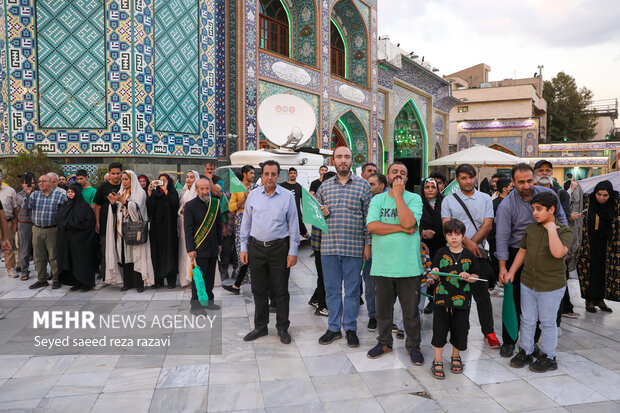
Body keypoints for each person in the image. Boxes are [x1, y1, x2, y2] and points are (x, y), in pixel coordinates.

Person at [496, 163, 567, 357]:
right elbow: (501, 237)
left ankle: (531, 342)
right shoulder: (506, 205)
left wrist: (561, 241)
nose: (527, 186)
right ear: (513, 182)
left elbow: (561, 217)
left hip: (546, 252)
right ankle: (509, 341)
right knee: (515, 300)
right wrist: (503, 267)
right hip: (517, 253)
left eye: (529, 181)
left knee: (538, 301)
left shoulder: (547, 194)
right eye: (521, 182)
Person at [365, 162, 425, 365]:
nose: (398, 175)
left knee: (410, 313)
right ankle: (384, 342)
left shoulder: (415, 198)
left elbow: (410, 223)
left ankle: (413, 346)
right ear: (387, 176)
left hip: (408, 267)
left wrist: (399, 196)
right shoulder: (377, 200)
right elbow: (372, 226)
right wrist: (400, 228)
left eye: (403, 173)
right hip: (382, 266)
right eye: (394, 172)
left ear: (407, 179)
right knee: (383, 311)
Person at [505, 192, 572, 372]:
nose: (534, 213)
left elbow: (558, 253)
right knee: (527, 319)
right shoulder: (531, 229)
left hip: (550, 286)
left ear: (552, 209)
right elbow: (522, 251)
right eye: (533, 209)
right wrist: (511, 271)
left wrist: (551, 229)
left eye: (539, 209)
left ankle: (549, 356)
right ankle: (526, 350)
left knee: (548, 322)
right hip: (528, 282)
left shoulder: (564, 231)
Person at [316, 146, 371, 347]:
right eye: (339, 157)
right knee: (331, 290)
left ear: (351, 161)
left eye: (347, 157)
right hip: (329, 248)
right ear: (333, 161)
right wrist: (320, 213)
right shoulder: (324, 188)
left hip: (354, 248)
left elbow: (368, 219)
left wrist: (368, 244)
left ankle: (350, 328)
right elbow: (315, 218)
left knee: (352, 291)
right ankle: (333, 328)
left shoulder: (363, 186)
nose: (343, 160)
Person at [240, 160, 300, 345]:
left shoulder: (287, 196)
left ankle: (282, 327)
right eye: (266, 174)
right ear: (262, 175)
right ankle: (260, 326)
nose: (270, 177)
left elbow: (293, 224)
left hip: (279, 249)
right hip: (256, 248)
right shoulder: (253, 195)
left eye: (273, 174)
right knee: (258, 289)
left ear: (278, 175)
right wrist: (243, 246)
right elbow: (246, 222)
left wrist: (293, 251)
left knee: (280, 290)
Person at [441, 164, 500, 350]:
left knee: (482, 296)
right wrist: (469, 245)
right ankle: (460, 331)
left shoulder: (484, 198)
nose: (468, 181)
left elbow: (487, 225)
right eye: (464, 178)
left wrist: (473, 245)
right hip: (454, 255)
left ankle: (489, 332)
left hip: (478, 255)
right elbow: (447, 227)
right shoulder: (448, 200)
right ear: (457, 179)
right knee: (456, 295)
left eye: (471, 177)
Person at [429, 219, 480, 379]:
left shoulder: (469, 255)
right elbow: (434, 276)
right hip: (442, 300)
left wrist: (468, 277)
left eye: (457, 234)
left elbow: (475, 277)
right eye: (450, 234)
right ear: (445, 236)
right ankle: (437, 360)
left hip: (462, 301)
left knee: (460, 330)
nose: (454, 237)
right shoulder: (440, 253)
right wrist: (435, 271)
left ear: (463, 236)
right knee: (439, 330)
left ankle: (455, 356)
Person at [105, 170, 155, 292]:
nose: (124, 181)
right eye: (123, 179)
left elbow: (138, 209)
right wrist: (113, 204)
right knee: (125, 257)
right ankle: (127, 283)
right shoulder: (121, 192)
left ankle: (139, 284)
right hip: (123, 229)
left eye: (126, 179)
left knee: (137, 256)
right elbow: (117, 211)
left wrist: (124, 202)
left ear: (132, 180)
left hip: (135, 229)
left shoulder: (140, 193)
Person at [577, 180, 619, 312]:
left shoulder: (615, 205)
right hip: (589, 244)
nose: (601, 198)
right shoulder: (588, 202)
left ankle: (600, 299)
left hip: (607, 246)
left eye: (605, 195)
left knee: (603, 271)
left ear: (610, 195)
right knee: (590, 270)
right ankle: (589, 300)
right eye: (599, 194)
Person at [184, 178, 222, 312]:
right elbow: (187, 229)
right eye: (202, 189)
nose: (205, 191)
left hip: (213, 247)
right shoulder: (190, 206)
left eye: (207, 189)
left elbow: (218, 225)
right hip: (199, 248)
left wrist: (220, 244)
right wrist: (190, 249)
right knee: (198, 278)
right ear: (196, 190)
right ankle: (195, 306)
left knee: (210, 277)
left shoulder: (215, 203)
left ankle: (208, 301)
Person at [25, 174, 67, 289]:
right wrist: (28, 194)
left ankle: (56, 279)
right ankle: (42, 279)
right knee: (38, 256)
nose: (41, 183)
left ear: (51, 183)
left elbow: (65, 211)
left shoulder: (59, 196)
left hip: (52, 229)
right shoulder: (34, 195)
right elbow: (27, 207)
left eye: (44, 181)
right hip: (37, 229)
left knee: (54, 256)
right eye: (39, 181)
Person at [222, 166, 258, 294]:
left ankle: (242, 284)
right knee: (242, 253)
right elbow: (231, 208)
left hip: (255, 223)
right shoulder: (237, 189)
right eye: (251, 173)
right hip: (241, 223)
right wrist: (244, 198)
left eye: (254, 173)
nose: (253, 175)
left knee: (255, 252)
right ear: (244, 174)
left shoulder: (256, 188)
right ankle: (239, 283)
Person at [56, 184, 98, 291]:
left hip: (81, 241)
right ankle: (75, 283)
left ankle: (86, 283)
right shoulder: (65, 205)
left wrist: (73, 225)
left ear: (77, 193)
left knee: (81, 261)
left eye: (72, 192)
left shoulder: (84, 207)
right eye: (68, 192)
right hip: (68, 240)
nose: (70, 194)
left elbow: (88, 223)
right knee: (71, 261)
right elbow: (59, 219)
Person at [307, 171, 336, 316]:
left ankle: (315, 299)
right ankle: (322, 306)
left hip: (326, 245)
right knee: (323, 276)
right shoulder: (319, 200)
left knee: (324, 275)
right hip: (321, 245)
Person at [147, 173, 180, 289]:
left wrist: (166, 190)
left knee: (170, 253)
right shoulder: (155, 194)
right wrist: (150, 194)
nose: (161, 182)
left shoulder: (172, 192)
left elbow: (175, 204)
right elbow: (149, 211)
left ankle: (171, 281)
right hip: (156, 229)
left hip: (169, 228)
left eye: (164, 180)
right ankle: (158, 280)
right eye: (160, 180)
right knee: (156, 254)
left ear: (169, 181)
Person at [93, 163, 123, 289]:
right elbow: (98, 206)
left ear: (121, 173)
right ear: (109, 173)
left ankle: (123, 278)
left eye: (118, 173)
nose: (115, 176)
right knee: (106, 251)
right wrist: (98, 222)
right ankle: (105, 279)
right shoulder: (103, 187)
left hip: (122, 225)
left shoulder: (125, 185)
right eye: (113, 173)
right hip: (106, 224)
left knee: (122, 251)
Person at [420, 177, 446, 315]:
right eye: (427, 187)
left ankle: (438, 299)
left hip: (441, 242)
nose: (430, 190)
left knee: (439, 270)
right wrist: (422, 232)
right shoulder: (418, 203)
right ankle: (430, 299)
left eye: (433, 187)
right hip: (424, 245)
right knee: (427, 272)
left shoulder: (445, 202)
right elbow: (413, 220)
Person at [487, 176, 513, 294]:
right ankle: (497, 283)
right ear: (504, 189)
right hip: (496, 237)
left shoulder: (510, 200)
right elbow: (495, 220)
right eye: (510, 186)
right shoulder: (497, 203)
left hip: (506, 237)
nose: (512, 188)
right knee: (497, 261)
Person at [178, 170, 200, 287]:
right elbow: (180, 208)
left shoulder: (197, 192)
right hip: (182, 225)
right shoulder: (184, 192)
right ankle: (185, 279)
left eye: (191, 177)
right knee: (183, 253)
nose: (188, 179)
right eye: (187, 177)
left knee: (191, 252)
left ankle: (193, 278)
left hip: (193, 226)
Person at [280, 167, 309, 238]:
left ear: (297, 175)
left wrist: (303, 214)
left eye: (294, 173)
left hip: (297, 214)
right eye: (291, 173)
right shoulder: (283, 185)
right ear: (288, 175)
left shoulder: (299, 186)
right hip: (285, 213)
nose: (292, 175)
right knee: (287, 233)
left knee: (306, 234)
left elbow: (303, 201)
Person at [0, 170, 18, 278]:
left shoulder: (10, 191)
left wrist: (16, 221)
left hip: (7, 223)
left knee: (8, 246)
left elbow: (15, 208)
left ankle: (11, 268)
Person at [16, 174, 34, 280]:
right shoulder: (18, 195)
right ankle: (24, 271)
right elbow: (23, 205)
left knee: (39, 250)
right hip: (24, 223)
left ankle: (42, 271)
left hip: (36, 223)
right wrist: (27, 194)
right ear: (22, 184)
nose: (31, 185)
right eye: (27, 182)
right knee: (25, 249)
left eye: (32, 182)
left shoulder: (37, 194)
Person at [219, 189, 237, 280]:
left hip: (239, 228)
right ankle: (224, 271)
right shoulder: (226, 195)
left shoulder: (245, 193)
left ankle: (235, 271)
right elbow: (222, 212)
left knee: (237, 252)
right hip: (228, 227)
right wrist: (224, 227)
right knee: (226, 250)